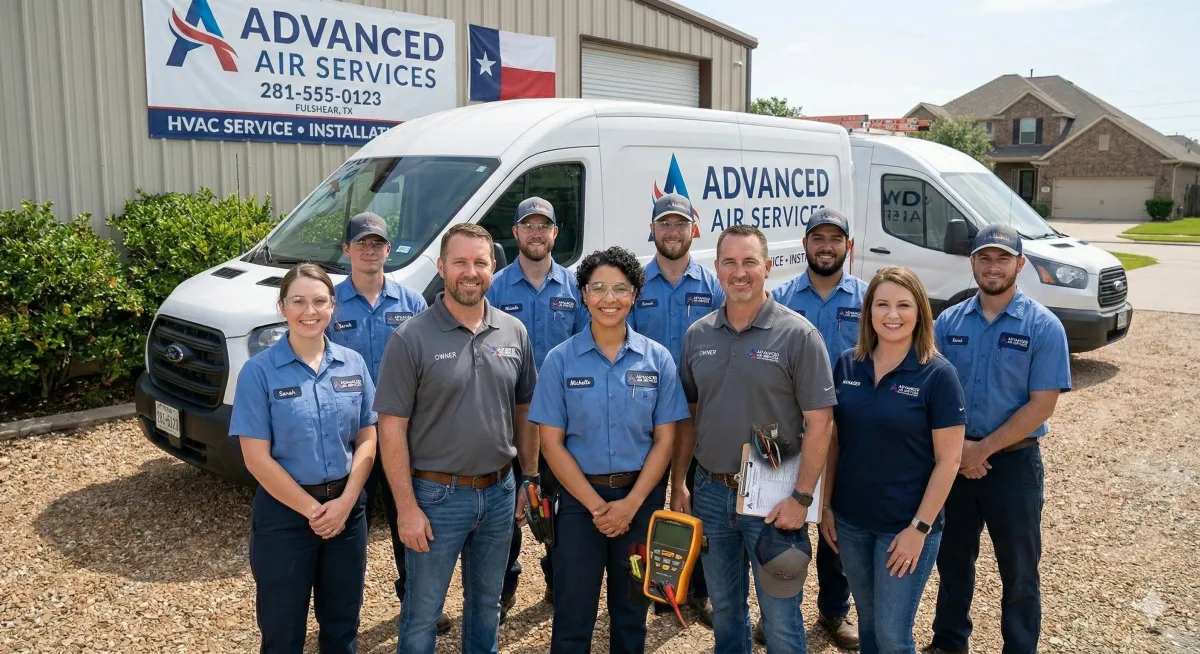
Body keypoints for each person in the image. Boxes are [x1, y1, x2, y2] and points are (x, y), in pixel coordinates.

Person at [374, 223, 540, 653]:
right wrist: (406, 508)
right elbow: (391, 428)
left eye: (480, 262)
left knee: (486, 604)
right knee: (422, 613)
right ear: (441, 267)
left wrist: (529, 478)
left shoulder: (513, 331)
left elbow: (525, 411)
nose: (471, 272)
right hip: (435, 497)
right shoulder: (410, 338)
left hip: (500, 492)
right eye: (460, 262)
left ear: (493, 268)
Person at [675, 224, 837, 653]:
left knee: (781, 618)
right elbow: (688, 416)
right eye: (729, 262)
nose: (739, 272)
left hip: (775, 496)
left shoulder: (799, 335)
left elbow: (821, 423)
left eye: (749, 261)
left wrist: (802, 498)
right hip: (712, 492)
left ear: (768, 267)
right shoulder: (698, 335)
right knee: (726, 610)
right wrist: (679, 483)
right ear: (717, 268)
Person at [529, 245, 690, 653]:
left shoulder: (657, 360)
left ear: (634, 295)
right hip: (579, 504)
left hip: (640, 500)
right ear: (583, 294)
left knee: (632, 613)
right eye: (598, 288)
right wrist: (598, 507)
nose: (609, 298)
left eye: (620, 288)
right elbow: (551, 443)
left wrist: (630, 505)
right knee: (572, 614)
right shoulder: (560, 361)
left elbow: (665, 440)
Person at [923, 225, 1072, 654]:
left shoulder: (1043, 327)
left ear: (1019, 264)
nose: (993, 267)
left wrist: (981, 450)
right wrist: (959, 453)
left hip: (1013, 466)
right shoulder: (948, 323)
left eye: (1002, 259)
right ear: (972, 263)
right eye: (984, 258)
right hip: (954, 461)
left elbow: (1042, 405)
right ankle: (949, 642)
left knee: (1020, 569)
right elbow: (932, 393)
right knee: (952, 560)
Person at [229, 263, 378, 654]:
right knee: (282, 631)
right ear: (282, 307)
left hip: (347, 512)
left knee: (342, 626)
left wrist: (344, 504)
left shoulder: (353, 364)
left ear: (333, 306)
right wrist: (315, 511)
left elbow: (367, 437)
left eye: (319, 301)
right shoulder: (258, 373)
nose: (309, 311)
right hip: (285, 517)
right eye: (298, 301)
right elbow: (256, 459)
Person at [819, 265, 966, 653]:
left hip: (904, 526)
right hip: (851, 522)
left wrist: (919, 528)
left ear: (920, 312)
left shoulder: (938, 375)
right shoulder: (847, 364)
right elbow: (834, 442)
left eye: (904, 305)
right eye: (882, 304)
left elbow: (949, 461)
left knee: (892, 635)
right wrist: (827, 506)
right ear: (869, 311)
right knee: (868, 624)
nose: (892, 314)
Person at [325, 212, 448, 633]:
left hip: (404, 434)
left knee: (408, 518)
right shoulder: (330, 304)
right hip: (353, 436)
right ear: (347, 250)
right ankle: (343, 617)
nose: (370, 250)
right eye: (361, 243)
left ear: (388, 250)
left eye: (377, 243)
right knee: (349, 526)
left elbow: (431, 364)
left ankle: (417, 603)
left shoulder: (411, 303)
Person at [485, 196, 589, 617]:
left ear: (555, 233)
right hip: (506, 417)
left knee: (559, 507)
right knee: (505, 509)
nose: (536, 232)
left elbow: (585, 348)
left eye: (543, 225)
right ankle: (504, 585)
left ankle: (556, 580)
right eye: (527, 225)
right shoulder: (495, 287)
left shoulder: (575, 288)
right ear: (515, 232)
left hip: (561, 420)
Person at [769, 207, 867, 649]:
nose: (826, 247)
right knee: (781, 521)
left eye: (835, 239)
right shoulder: (780, 298)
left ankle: (834, 610)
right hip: (788, 428)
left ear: (849, 245)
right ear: (804, 244)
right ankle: (776, 610)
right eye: (818, 238)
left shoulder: (868, 300)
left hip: (849, 431)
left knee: (836, 522)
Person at [631, 192, 723, 624]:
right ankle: (653, 585)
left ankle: (698, 589)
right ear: (652, 230)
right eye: (664, 223)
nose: (672, 231)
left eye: (680, 223)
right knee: (648, 500)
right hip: (645, 414)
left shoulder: (712, 285)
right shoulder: (636, 283)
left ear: (693, 229)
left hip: (701, 412)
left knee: (697, 500)